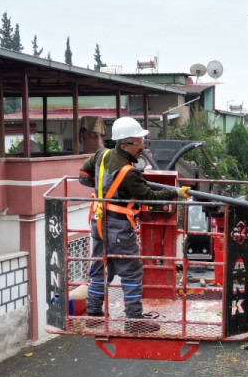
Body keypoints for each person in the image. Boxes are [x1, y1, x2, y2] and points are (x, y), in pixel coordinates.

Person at [79, 117, 190, 331]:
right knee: (131, 272)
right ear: (125, 145)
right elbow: (148, 196)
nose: (142, 147)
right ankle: (134, 320)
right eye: (139, 143)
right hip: (118, 227)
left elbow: (84, 175)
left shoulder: (102, 155)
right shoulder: (128, 173)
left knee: (102, 268)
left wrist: (104, 187)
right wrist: (176, 192)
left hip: (99, 221)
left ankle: (93, 314)